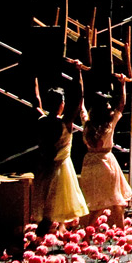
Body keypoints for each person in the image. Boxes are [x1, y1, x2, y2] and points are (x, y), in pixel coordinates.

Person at [32, 59, 89, 234]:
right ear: (61, 105)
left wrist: (34, 76)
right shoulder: (65, 122)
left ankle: (49, 234)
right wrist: (78, 72)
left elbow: (36, 101)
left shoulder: (41, 120)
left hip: (43, 169)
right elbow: (78, 98)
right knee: (52, 209)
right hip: (60, 170)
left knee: (47, 207)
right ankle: (43, 234)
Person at [78, 71, 132, 229]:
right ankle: (119, 230)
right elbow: (121, 105)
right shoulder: (109, 124)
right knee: (115, 201)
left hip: (89, 164)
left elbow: (80, 103)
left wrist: (78, 76)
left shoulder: (87, 123)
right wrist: (122, 85)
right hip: (106, 163)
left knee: (99, 203)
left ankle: (89, 231)